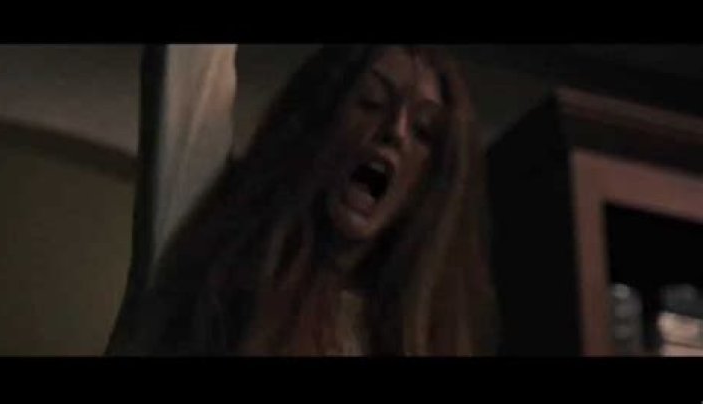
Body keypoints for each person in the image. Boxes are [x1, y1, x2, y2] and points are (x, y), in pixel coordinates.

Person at [107, 45, 497, 356]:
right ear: (319, 119)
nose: (395, 131)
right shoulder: (217, 248)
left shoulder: (411, 334)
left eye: (424, 130)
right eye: (371, 102)